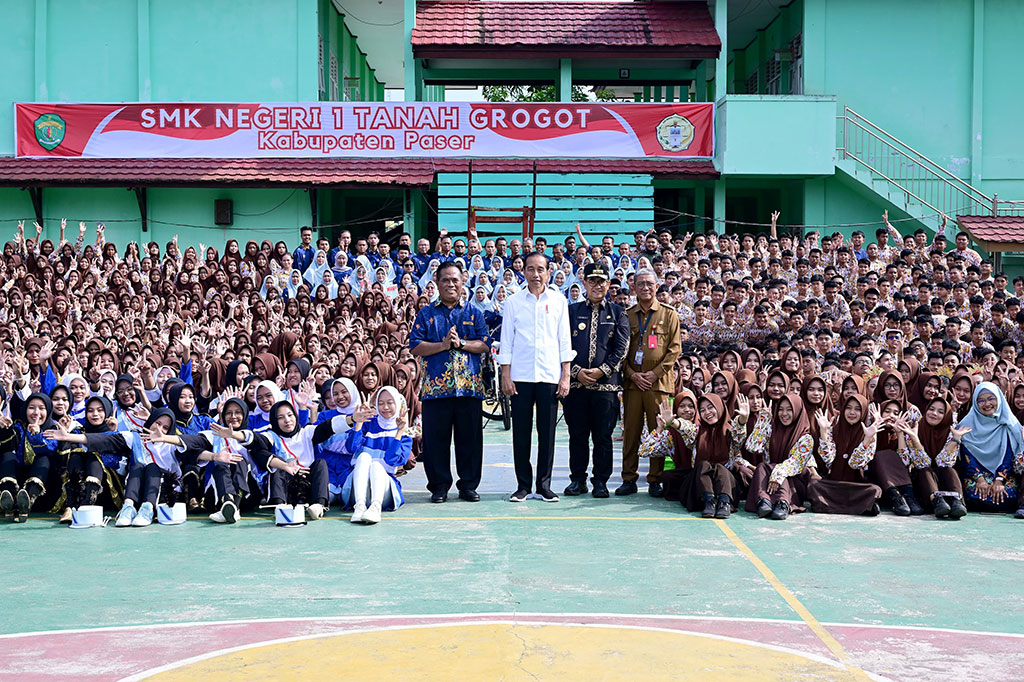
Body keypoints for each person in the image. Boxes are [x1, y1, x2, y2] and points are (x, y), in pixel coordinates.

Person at [409, 261, 492, 503]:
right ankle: (439, 487)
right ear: (436, 281)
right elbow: (415, 345)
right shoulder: (426, 313)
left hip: (469, 388)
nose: (451, 284)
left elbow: (485, 343)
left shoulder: (474, 312)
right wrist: (443, 345)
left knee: (470, 441)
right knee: (436, 442)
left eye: (455, 279)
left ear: (463, 280)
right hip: (436, 390)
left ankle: (468, 485)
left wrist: (461, 344)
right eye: (445, 279)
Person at [499, 251, 573, 503]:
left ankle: (544, 485)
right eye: (530, 269)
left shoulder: (559, 300)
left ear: (548, 272)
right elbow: (506, 341)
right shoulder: (513, 302)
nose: (535, 274)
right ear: (524, 272)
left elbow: (565, 340)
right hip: (520, 375)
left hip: (550, 374)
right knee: (521, 433)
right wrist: (505, 375)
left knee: (547, 433)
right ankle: (522, 486)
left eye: (540, 269)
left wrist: (565, 375)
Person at [562, 263, 629, 498]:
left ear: (608, 285)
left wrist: (602, 370)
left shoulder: (619, 313)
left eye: (602, 281)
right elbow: (562, 345)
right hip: (577, 385)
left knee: (603, 437)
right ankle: (577, 480)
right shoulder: (571, 311)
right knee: (577, 435)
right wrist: (576, 371)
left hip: (606, 386)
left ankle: (600, 481)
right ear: (584, 283)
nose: (597, 285)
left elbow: (622, 348)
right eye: (592, 281)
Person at [618, 268, 681, 498]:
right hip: (633, 384)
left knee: (658, 431)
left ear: (657, 287)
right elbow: (620, 350)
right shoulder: (626, 314)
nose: (645, 288)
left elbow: (674, 350)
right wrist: (632, 374)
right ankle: (629, 478)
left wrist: (654, 374)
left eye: (649, 284)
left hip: (658, 384)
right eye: (640, 284)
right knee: (631, 432)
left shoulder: (669, 314)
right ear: (634, 287)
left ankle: (655, 479)